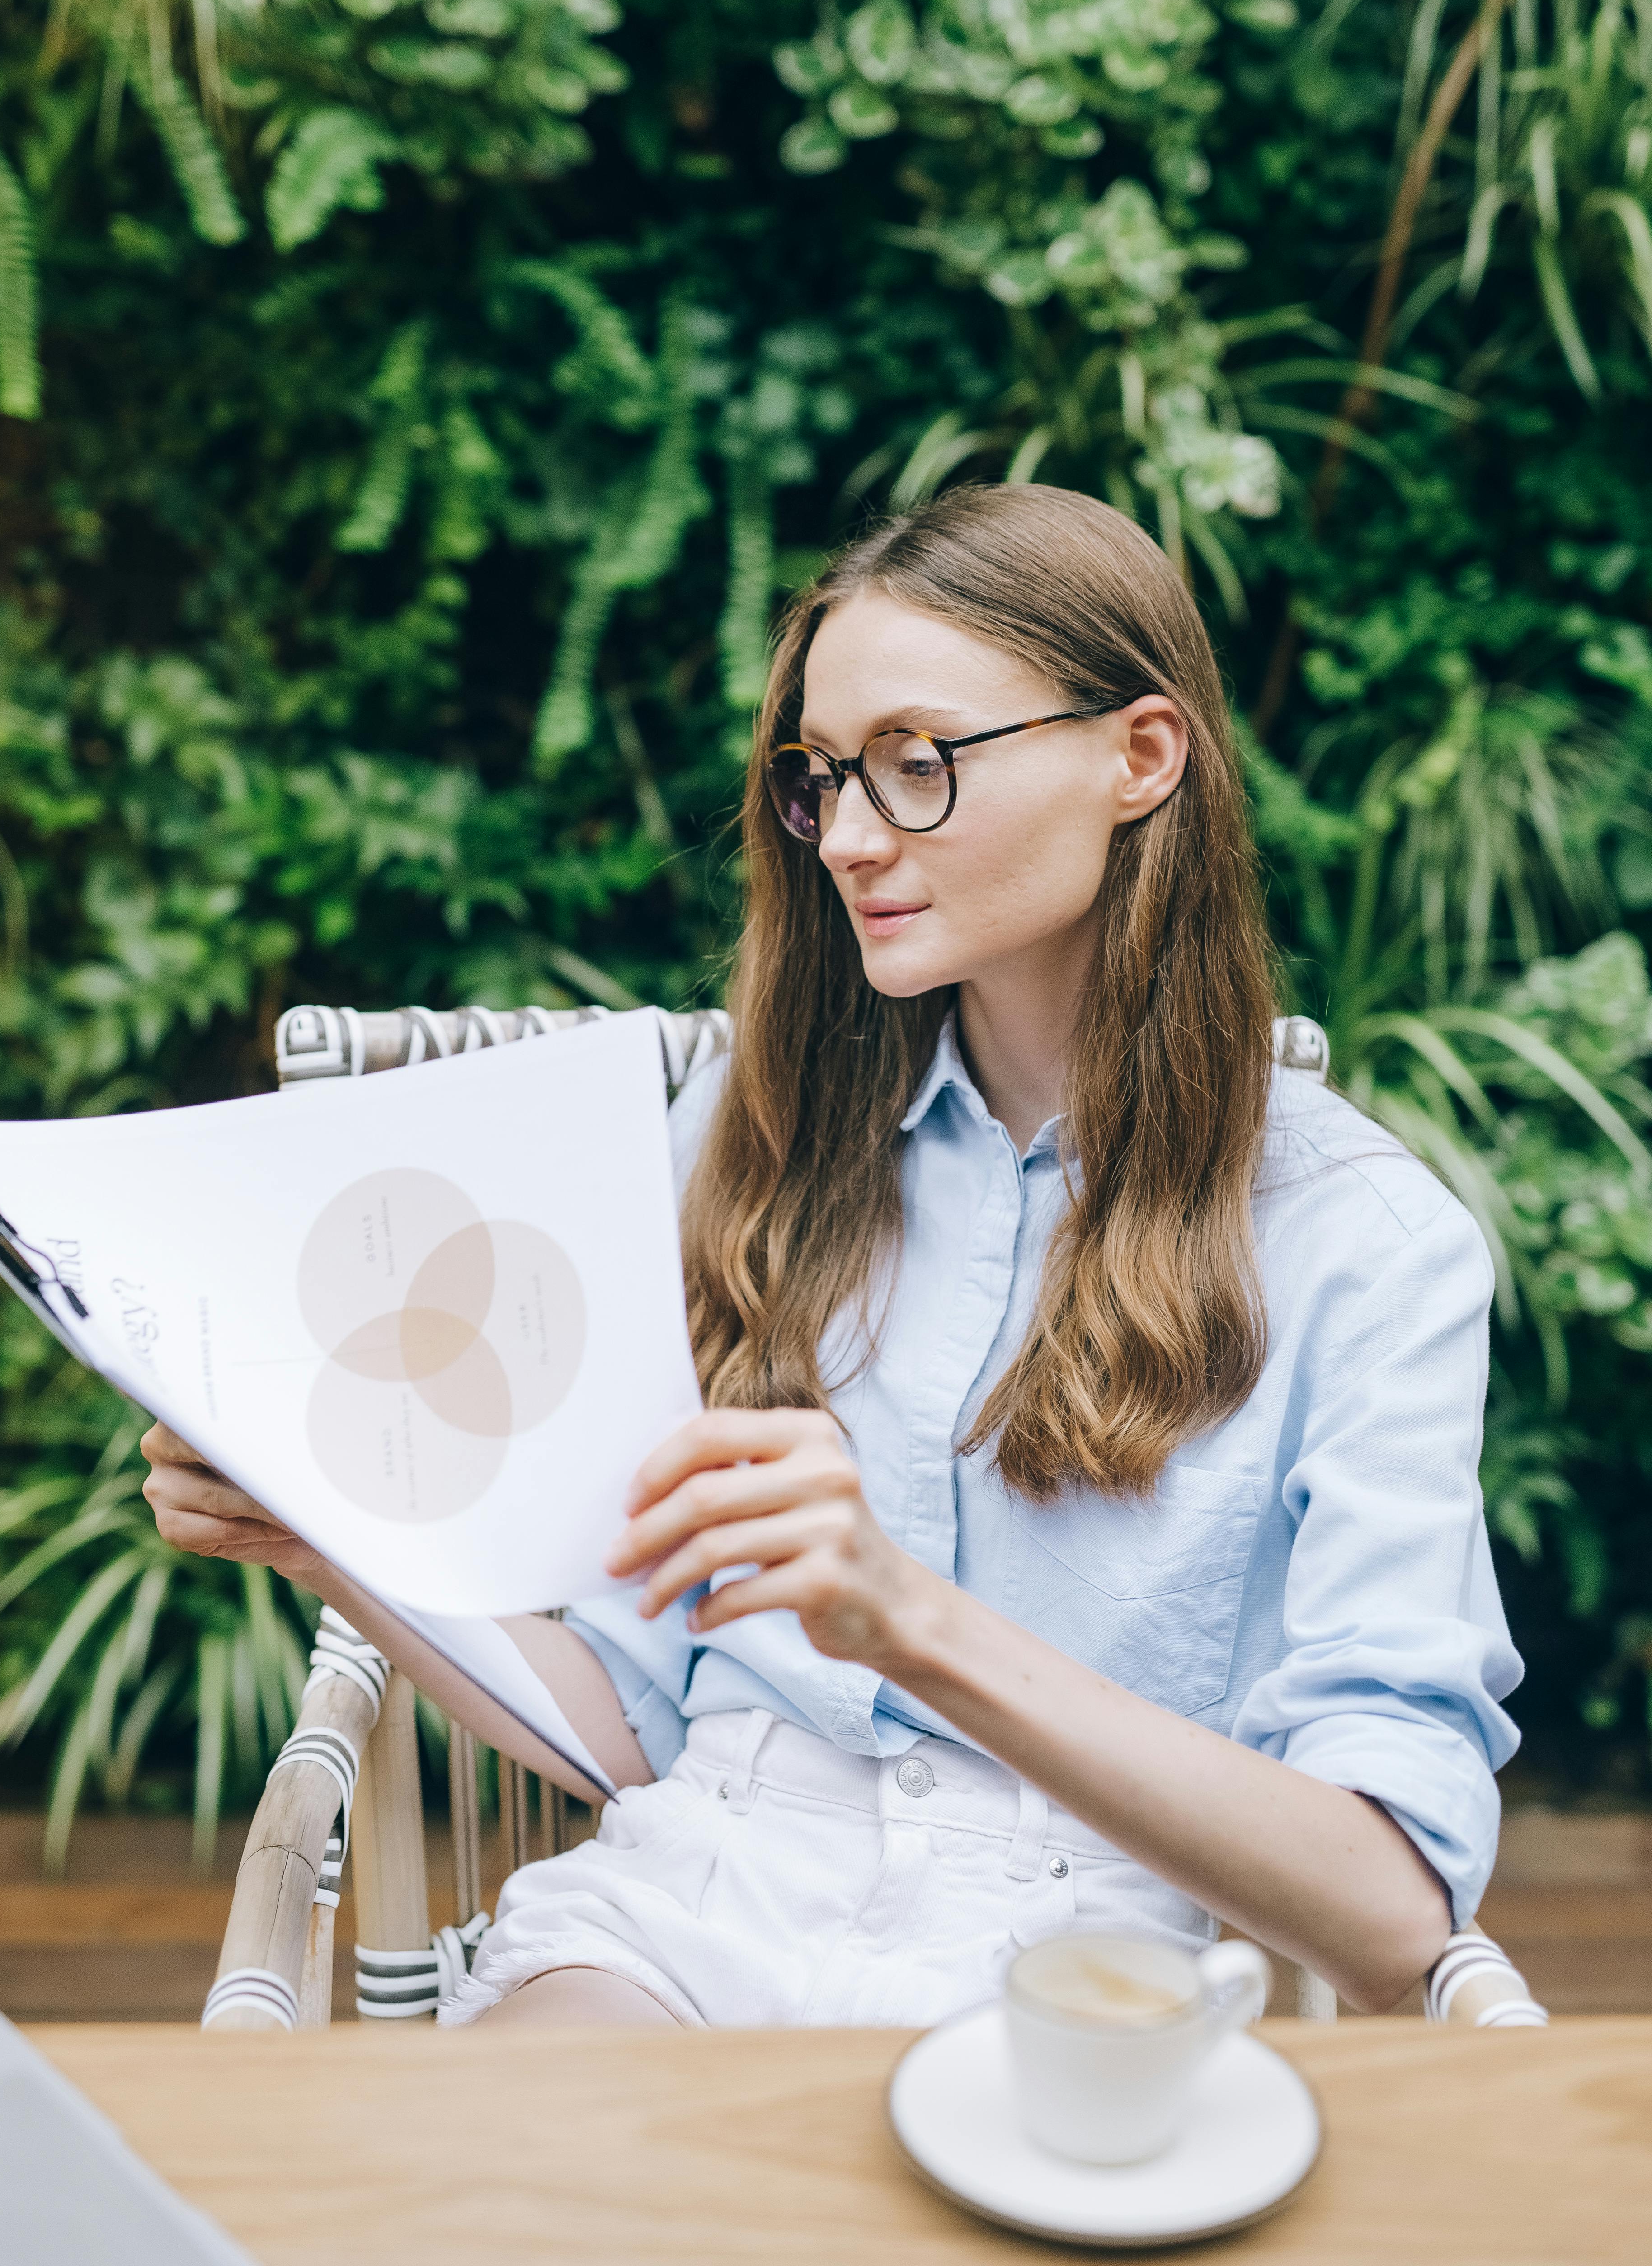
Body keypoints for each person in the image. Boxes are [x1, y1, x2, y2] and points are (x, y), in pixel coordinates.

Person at [142, 484, 1521, 2031]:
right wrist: (328, 1531)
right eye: (823, 780)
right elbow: (633, 1718)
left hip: (1095, 1961)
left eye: (918, 766)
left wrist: (907, 1620)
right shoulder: (750, 1144)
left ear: (1142, 757)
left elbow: (1396, 1919)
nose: (852, 839)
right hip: (697, 1890)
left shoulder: (1365, 1246)